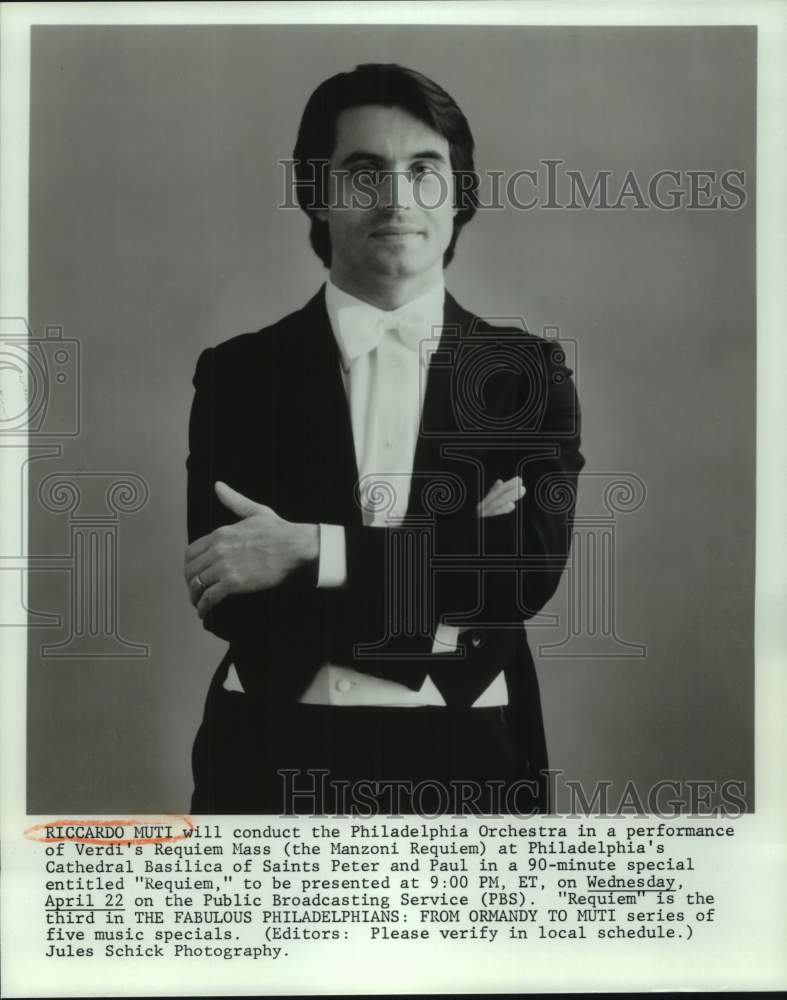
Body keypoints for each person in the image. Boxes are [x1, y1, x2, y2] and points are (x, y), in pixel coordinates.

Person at [184, 63, 584, 816]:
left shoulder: (524, 373)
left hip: (471, 753)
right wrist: (446, 557)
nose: (397, 199)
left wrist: (310, 550)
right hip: (271, 753)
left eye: (424, 172)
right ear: (315, 192)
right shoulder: (239, 373)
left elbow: (520, 577)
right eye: (363, 172)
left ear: (459, 195)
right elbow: (228, 598)